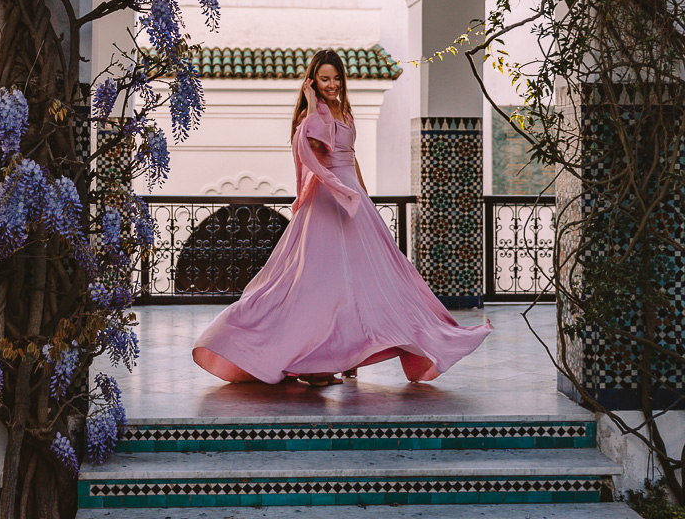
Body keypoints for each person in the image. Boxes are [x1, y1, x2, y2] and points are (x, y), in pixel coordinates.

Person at [192, 48, 492, 387]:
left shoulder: (344, 110)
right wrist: (308, 102)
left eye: (335, 78)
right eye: (324, 79)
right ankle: (313, 364)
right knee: (320, 284)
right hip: (327, 200)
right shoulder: (315, 115)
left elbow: (352, 157)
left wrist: (364, 196)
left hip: (353, 201)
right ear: (314, 81)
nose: (331, 84)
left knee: (369, 281)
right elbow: (314, 144)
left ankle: (351, 358)